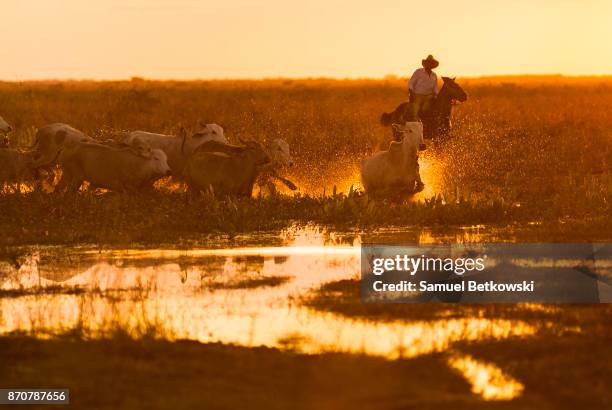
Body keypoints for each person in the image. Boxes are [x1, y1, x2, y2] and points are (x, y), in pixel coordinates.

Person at [408, 55, 439, 120]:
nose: (429, 65)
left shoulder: (434, 75)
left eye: (431, 63)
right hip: (417, 95)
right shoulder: (418, 72)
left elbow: (435, 88)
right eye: (428, 63)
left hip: (429, 96)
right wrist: (411, 92)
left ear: (433, 65)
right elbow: (411, 82)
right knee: (415, 109)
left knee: (430, 108)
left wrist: (437, 95)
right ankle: (414, 122)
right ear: (425, 64)